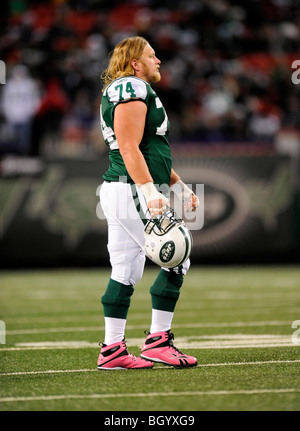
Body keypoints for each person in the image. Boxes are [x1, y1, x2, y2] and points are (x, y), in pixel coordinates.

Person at [97, 36, 199, 370]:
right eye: (152, 56)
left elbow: (149, 151)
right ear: (134, 63)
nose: (159, 61)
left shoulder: (131, 89)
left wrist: (178, 185)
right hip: (130, 188)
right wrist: (150, 192)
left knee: (126, 270)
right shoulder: (131, 88)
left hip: (123, 188)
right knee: (177, 252)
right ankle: (158, 340)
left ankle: (112, 349)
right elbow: (128, 147)